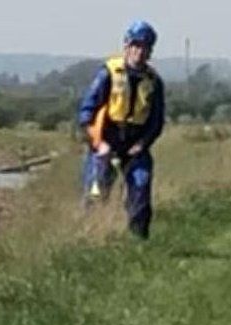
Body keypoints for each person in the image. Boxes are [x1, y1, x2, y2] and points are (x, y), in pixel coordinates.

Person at [78, 20, 165, 239]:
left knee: (141, 189)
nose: (139, 51)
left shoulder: (154, 81)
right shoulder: (108, 73)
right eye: (135, 45)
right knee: (97, 193)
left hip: (135, 145)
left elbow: (156, 121)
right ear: (126, 46)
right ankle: (89, 238)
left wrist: (142, 144)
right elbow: (87, 113)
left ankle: (138, 243)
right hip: (106, 142)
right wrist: (99, 144)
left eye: (145, 47)